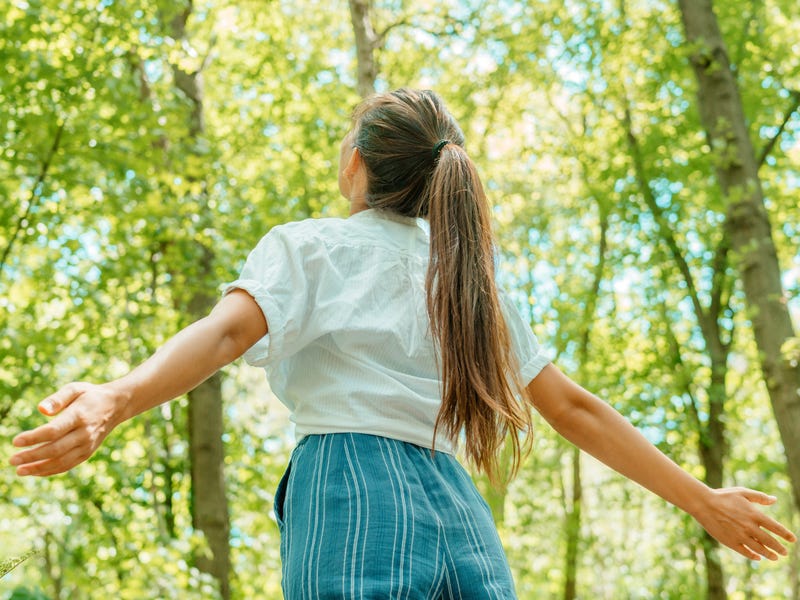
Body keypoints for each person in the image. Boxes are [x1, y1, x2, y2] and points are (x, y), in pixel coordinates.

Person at [10, 88, 796, 598]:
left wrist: (117, 396)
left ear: (356, 165)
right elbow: (574, 408)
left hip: (349, 484)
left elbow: (221, 336)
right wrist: (702, 499)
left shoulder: (313, 246)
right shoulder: (472, 283)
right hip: (457, 506)